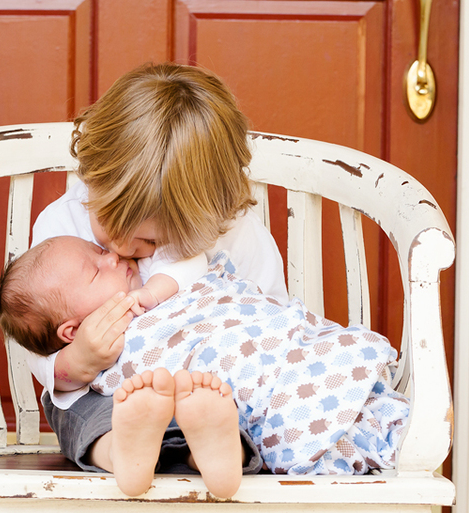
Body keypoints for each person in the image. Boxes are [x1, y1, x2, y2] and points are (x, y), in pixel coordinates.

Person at [17, 62, 289, 497]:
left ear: (210, 215)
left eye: (150, 240)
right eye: (108, 225)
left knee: (233, 411)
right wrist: (79, 360)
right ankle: (121, 451)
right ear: (91, 176)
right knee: (75, 409)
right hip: (118, 398)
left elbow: (274, 320)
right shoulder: (62, 225)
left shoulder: (237, 234)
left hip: (214, 389)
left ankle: (216, 451)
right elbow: (40, 339)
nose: (121, 248)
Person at [0, 236, 409, 481]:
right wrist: (82, 356)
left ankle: (212, 448)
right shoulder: (62, 244)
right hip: (210, 390)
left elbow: (200, 272)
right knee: (140, 399)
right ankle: (200, 449)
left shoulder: (156, 267)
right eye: (96, 271)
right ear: (70, 331)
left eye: (99, 250)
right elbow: (57, 379)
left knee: (220, 387)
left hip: (273, 352)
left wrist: (153, 293)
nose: (112, 257)